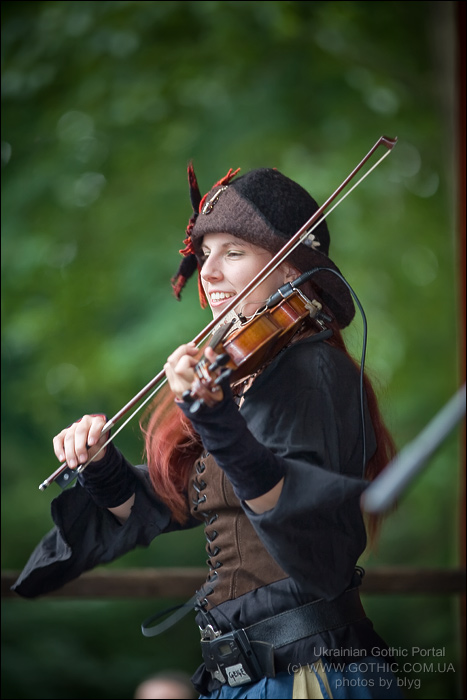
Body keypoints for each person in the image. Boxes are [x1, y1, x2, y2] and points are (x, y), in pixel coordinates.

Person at [13, 165, 403, 699]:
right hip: (246, 679)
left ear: (291, 267)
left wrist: (213, 417)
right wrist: (101, 466)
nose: (208, 272)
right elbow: (166, 506)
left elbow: (295, 515)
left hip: (307, 676)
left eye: (233, 252)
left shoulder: (311, 372)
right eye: (205, 253)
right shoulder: (247, 380)